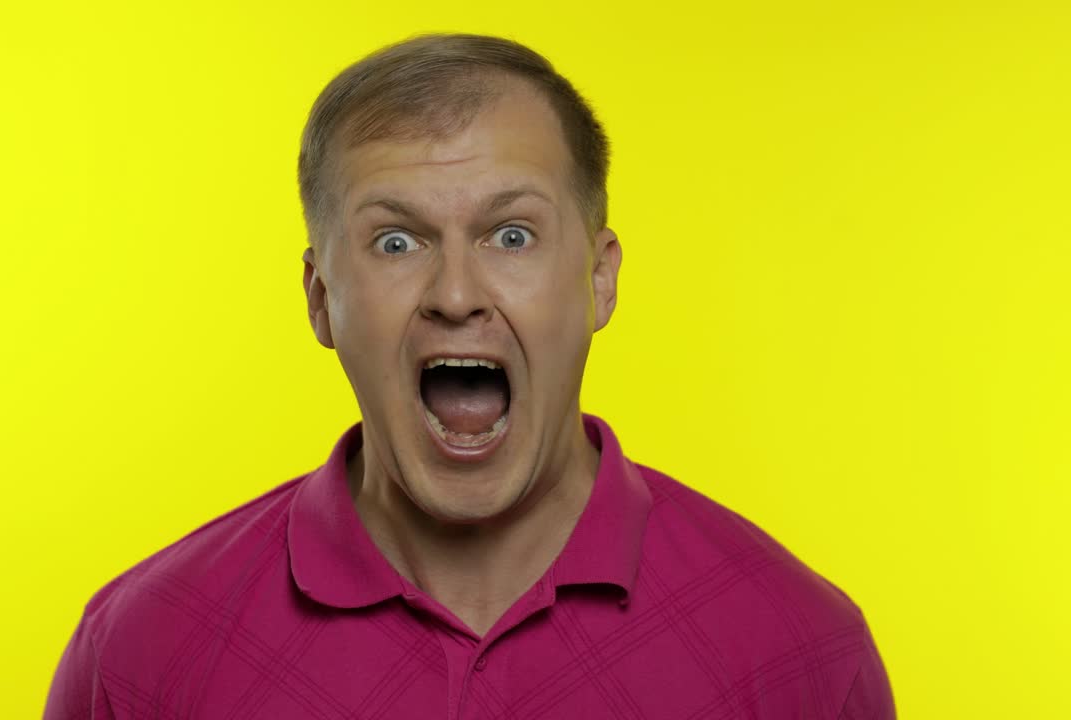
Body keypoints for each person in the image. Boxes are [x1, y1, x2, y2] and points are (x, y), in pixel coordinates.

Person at [44, 33, 895, 719]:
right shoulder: (141, 652)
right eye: (396, 242)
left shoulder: (798, 652)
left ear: (599, 280)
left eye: (511, 235)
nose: (455, 296)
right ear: (321, 300)